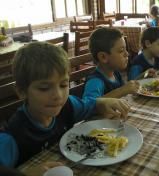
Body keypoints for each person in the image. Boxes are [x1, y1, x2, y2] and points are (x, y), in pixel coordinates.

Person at [2, 42, 130, 168]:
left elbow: (90, 106)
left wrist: (102, 103)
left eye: (63, 85)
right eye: (44, 88)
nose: (58, 95)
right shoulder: (12, 138)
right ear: (21, 91)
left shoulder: (68, 104)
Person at [82, 28, 139, 100]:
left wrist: (143, 75)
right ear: (103, 57)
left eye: (126, 49)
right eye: (121, 51)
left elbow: (126, 91)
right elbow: (89, 105)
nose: (127, 54)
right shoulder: (95, 81)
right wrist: (122, 90)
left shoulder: (115, 73)